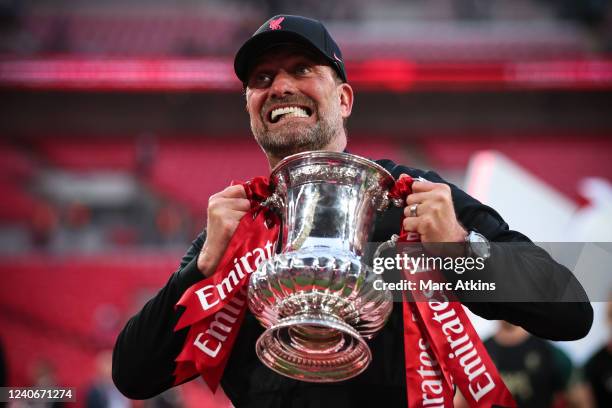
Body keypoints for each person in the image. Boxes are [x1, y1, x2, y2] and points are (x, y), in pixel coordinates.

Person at [112, 15, 593, 407]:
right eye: (262, 79)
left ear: (343, 99)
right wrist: (197, 271)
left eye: (301, 69)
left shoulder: (412, 197)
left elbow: (571, 309)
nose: (279, 86)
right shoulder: (238, 224)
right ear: (250, 107)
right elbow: (133, 375)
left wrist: (458, 250)